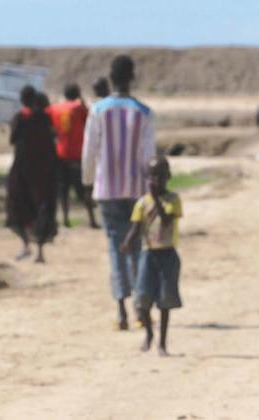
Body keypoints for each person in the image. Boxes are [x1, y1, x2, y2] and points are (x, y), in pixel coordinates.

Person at [82, 55, 156, 330]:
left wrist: (88, 181)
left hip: (107, 190)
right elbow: (149, 157)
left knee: (116, 248)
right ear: (132, 78)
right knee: (136, 247)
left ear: (111, 79)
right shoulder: (144, 112)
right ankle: (140, 310)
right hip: (137, 191)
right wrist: (152, 192)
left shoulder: (98, 110)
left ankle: (121, 312)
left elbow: (90, 150)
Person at [120, 156, 182, 356]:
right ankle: (149, 333)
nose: (156, 180)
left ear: (168, 176)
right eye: (153, 176)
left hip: (168, 254)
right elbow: (136, 227)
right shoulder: (141, 203)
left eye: (160, 176)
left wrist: (156, 201)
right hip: (148, 255)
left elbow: (167, 221)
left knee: (165, 301)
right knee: (142, 297)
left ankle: (162, 343)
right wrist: (127, 242)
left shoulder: (173, 199)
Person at [5, 86, 58, 263]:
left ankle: (25, 245)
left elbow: (12, 139)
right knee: (42, 207)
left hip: (23, 168)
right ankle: (40, 252)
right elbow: (52, 139)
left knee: (18, 205)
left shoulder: (20, 118)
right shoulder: (45, 118)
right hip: (43, 170)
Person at [47, 83, 100, 229]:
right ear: (77, 94)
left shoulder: (54, 108)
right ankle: (91, 220)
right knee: (85, 187)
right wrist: (82, 101)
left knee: (63, 189)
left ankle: (65, 219)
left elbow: (51, 127)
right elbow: (89, 120)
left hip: (61, 153)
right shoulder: (79, 108)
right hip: (77, 154)